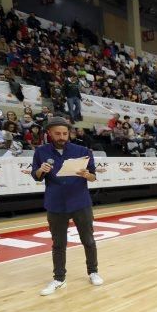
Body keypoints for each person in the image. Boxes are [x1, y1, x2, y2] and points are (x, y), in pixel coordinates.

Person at [31, 116, 103, 296]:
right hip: (55, 203)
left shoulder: (82, 150)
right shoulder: (41, 152)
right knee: (58, 243)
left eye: (65, 133)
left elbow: (93, 177)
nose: (62, 137)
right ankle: (59, 278)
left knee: (88, 240)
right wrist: (41, 170)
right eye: (58, 134)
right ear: (49, 133)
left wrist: (87, 175)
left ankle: (93, 271)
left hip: (80, 201)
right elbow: (36, 175)